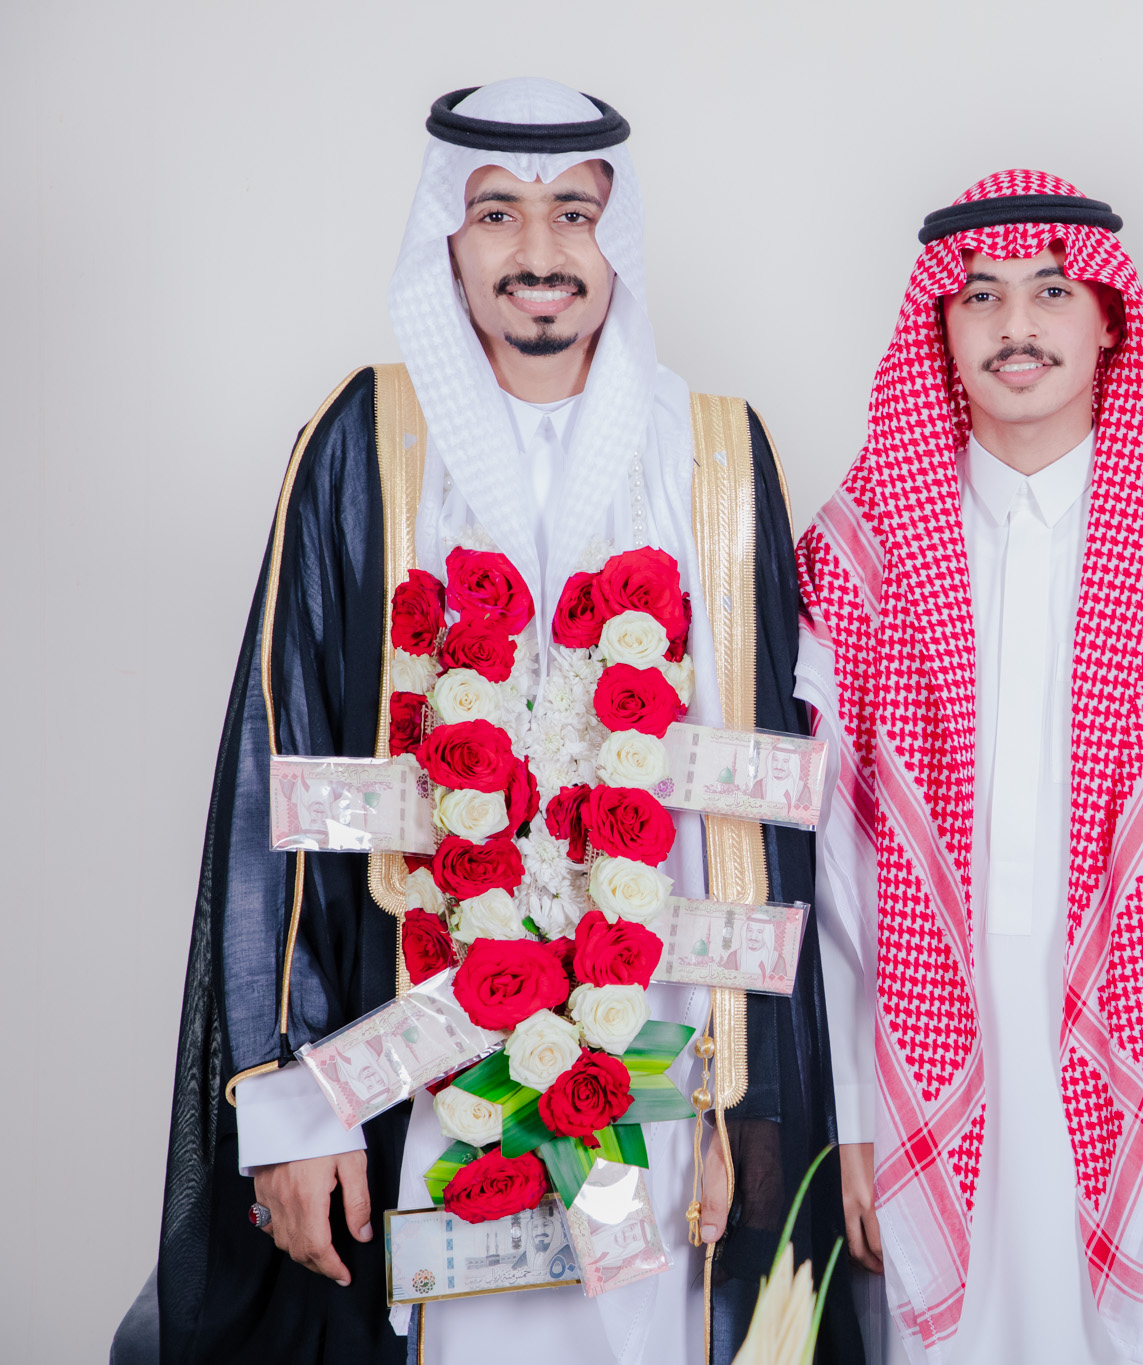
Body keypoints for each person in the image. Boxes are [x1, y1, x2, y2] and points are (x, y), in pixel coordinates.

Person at [148, 79, 857, 1365]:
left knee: (644, 1334)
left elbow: (758, 816)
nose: (539, 250)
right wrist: (294, 1114)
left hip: (656, 1066)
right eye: (497, 214)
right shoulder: (365, 440)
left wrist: (740, 1109)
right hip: (409, 1058)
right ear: (449, 238)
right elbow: (281, 778)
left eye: (573, 213)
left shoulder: (710, 452)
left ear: (614, 237)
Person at [794, 172, 1143, 1365]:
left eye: (1050, 292)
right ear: (940, 332)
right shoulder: (860, 553)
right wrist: (856, 1121)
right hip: (924, 1075)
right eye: (980, 296)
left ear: (1107, 322)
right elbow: (834, 871)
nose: (1016, 325)